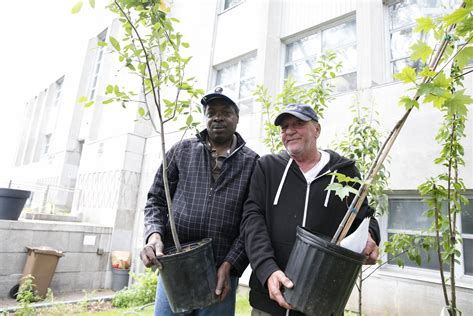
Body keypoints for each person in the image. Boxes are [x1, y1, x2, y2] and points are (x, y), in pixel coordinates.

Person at [241, 103, 380, 316]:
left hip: (322, 302)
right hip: (268, 301)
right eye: (284, 126)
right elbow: (252, 219)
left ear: (317, 130)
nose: (289, 131)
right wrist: (267, 269)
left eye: (298, 124)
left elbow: (364, 217)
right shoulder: (268, 168)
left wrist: (370, 236)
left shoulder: (345, 172)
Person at [140, 86, 259, 316]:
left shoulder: (253, 163)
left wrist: (230, 264)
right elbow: (156, 199)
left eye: (225, 112)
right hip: (175, 267)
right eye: (211, 112)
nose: (217, 117)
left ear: (237, 118)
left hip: (220, 273)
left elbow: (252, 222)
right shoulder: (181, 151)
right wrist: (153, 234)